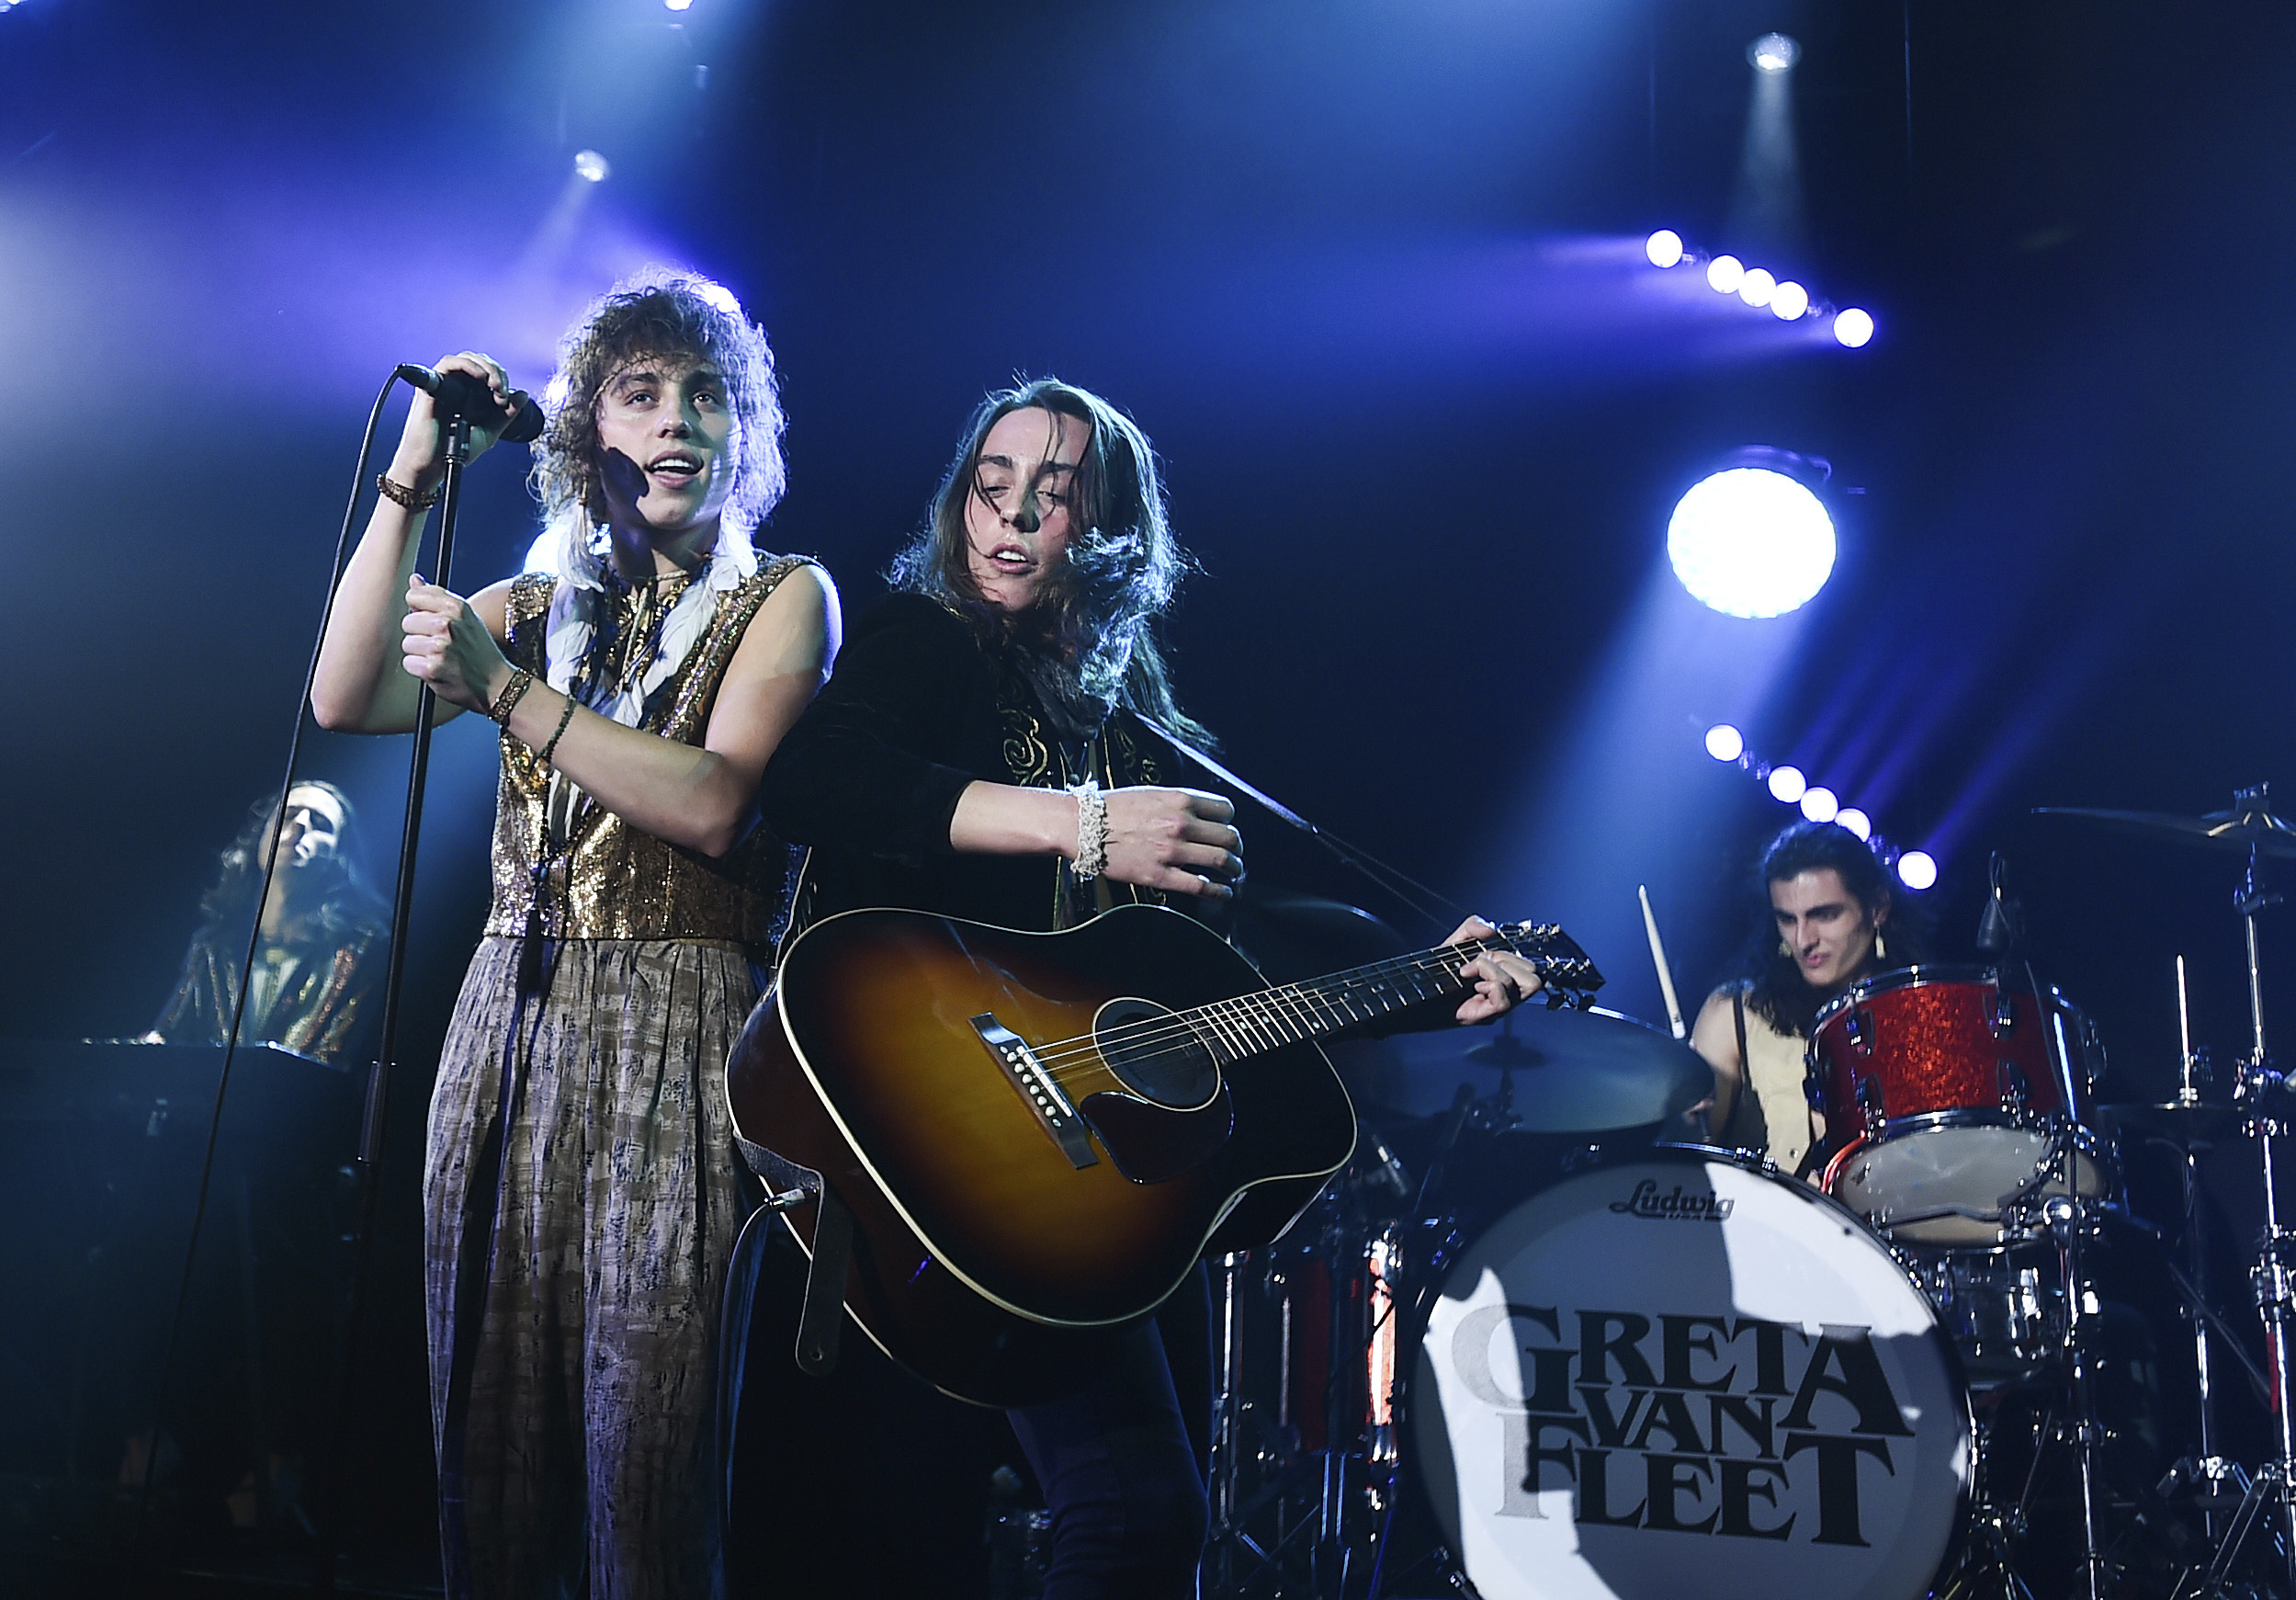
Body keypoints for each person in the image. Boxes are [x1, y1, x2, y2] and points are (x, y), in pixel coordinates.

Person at [755, 378, 1544, 1599]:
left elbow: (1230, 981)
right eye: (989, 485)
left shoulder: (1147, 741)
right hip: (905, 1134)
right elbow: (812, 780)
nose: (1008, 517)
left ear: (1110, 532)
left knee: (1125, 1518)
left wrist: (1433, 980)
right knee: (1046, 1516)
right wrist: (1075, 826)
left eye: (1052, 495)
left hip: (1074, 1178)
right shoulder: (927, 645)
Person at [310, 269, 837, 1600]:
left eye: (706, 397)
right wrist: (409, 485)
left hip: (684, 1024)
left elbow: (715, 805)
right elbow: (344, 695)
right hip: (506, 1019)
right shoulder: (536, 609)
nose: (677, 426)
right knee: (484, 1460)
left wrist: (501, 696)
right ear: (583, 435)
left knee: (644, 1471)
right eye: (642, 395)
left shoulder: (783, 595)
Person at [1690, 818, 1914, 1177]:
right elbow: (1689, 1150)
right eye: (1787, 920)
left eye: (1824, 915)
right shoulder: (1736, 1015)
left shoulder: (1925, 1012)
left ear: (1878, 908)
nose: (1803, 939)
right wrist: (1681, 1111)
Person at [149, 779, 387, 1066]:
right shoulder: (214, 946)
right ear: (260, 837)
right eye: (288, 815)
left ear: (338, 857)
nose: (299, 825)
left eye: (320, 824)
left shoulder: (360, 955)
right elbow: (166, 1037)